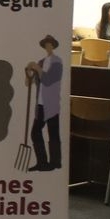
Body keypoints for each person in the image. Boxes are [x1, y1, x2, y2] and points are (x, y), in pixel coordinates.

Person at [26, 35, 63, 172]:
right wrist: (29, 73)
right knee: (36, 132)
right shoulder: (41, 62)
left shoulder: (57, 62)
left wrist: (37, 68)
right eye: (46, 44)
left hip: (52, 103)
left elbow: (48, 80)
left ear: (53, 46)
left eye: (50, 44)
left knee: (53, 132)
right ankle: (42, 162)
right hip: (40, 103)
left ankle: (55, 162)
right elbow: (30, 82)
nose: (48, 46)